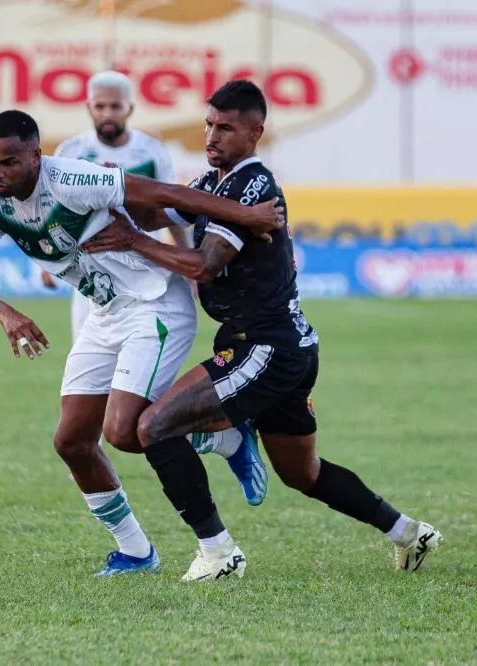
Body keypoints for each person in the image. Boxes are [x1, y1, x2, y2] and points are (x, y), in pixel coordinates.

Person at [81, 80, 442, 580]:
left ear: (255, 133)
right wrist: (104, 184)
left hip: (264, 347)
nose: (212, 136)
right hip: (284, 346)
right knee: (303, 473)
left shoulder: (251, 186)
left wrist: (133, 241)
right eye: (208, 124)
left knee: (152, 427)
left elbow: (204, 265)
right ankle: (409, 532)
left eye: (226, 128)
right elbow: (157, 210)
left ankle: (218, 551)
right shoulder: (215, 183)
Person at [0, 110, 281, 576]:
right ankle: (136, 552)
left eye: (8, 162)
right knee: (72, 442)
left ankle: (225, 439)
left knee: (124, 431)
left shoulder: (72, 179)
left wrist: (246, 214)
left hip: (155, 304)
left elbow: (166, 194)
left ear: (36, 157)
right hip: (105, 313)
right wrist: (7, 315)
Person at [51, 70, 192, 343]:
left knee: (140, 352)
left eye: (115, 106)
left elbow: (170, 208)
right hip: (90, 273)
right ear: (89, 108)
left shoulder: (152, 151)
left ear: (130, 108)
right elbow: (55, 212)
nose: (107, 113)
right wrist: (48, 266)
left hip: (144, 269)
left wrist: (185, 259)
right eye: (100, 106)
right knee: (87, 358)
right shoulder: (70, 152)